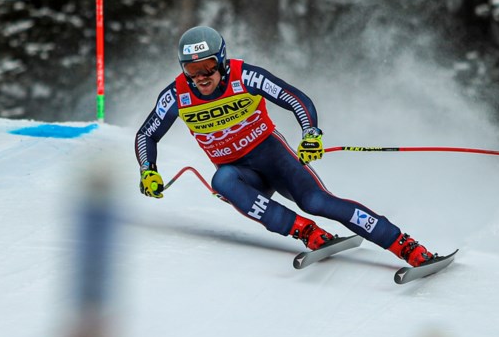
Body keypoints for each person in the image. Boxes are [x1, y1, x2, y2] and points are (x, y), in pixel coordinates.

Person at [134, 25, 436, 268]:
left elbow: (295, 98)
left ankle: (405, 246)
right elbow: (147, 134)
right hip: (242, 175)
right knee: (222, 180)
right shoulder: (176, 95)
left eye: (208, 67)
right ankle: (307, 232)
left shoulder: (245, 76)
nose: (200, 77)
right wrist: (148, 170)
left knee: (316, 202)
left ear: (222, 62)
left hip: (272, 157)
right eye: (191, 70)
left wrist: (310, 134)